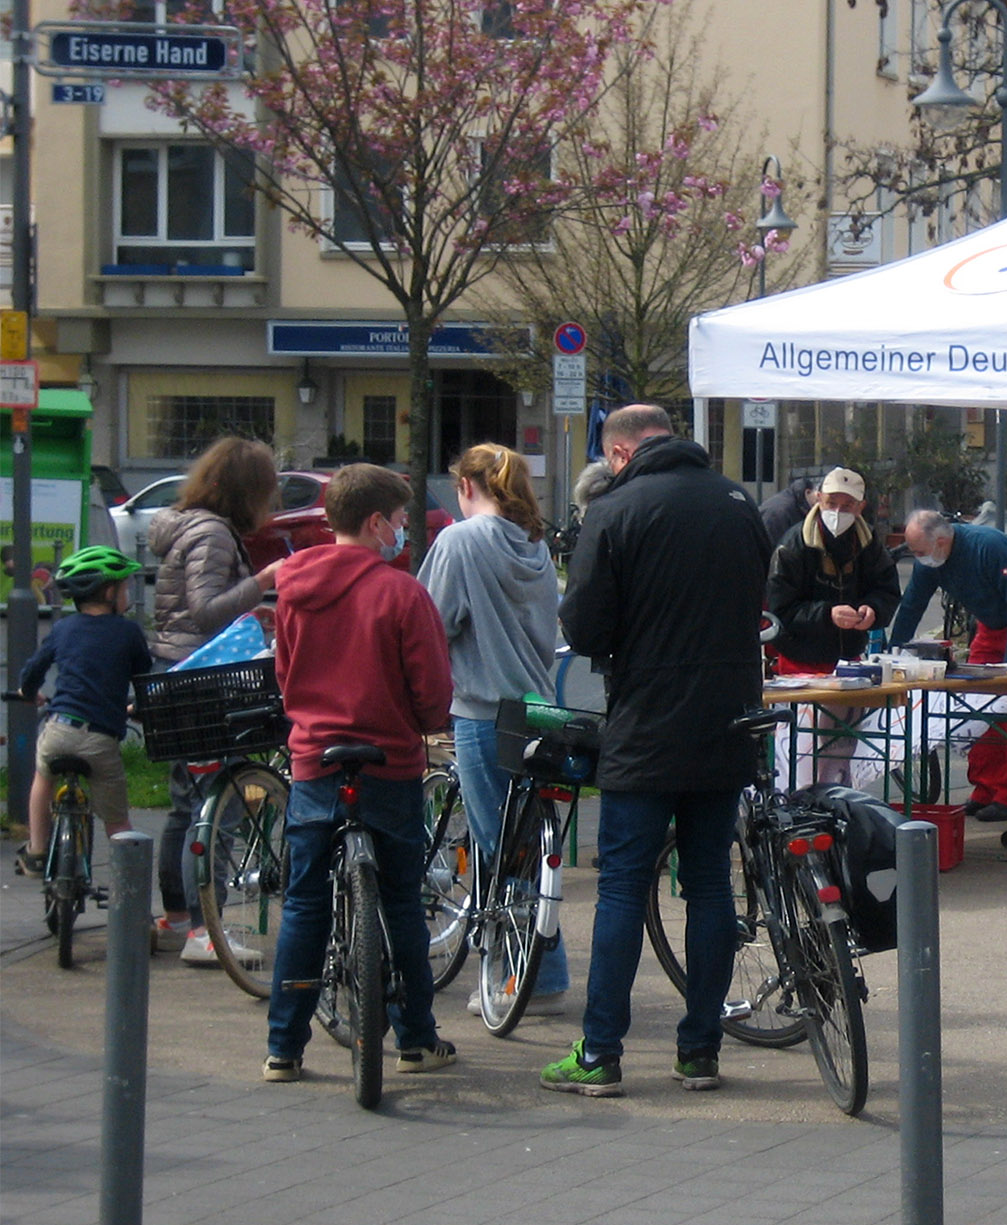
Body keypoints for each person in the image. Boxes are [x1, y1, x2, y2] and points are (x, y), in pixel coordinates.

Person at [544, 404, 770, 1097]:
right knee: (709, 887)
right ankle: (700, 1049)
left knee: (621, 888)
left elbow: (582, 628)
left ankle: (601, 1053)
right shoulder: (738, 504)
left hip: (645, 725)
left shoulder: (615, 511)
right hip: (729, 719)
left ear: (619, 453)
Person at [264, 464, 456, 1083]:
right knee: (400, 899)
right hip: (390, 765)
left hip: (315, 760)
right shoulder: (401, 593)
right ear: (377, 523)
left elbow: (286, 676)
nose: (403, 532)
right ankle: (416, 1039)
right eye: (401, 522)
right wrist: (419, 719)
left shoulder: (293, 587)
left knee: (304, 903)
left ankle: (284, 1048)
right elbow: (432, 696)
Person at [418, 444, 569, 1016]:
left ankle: (517, 980)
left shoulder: (459, 541)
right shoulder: (534, 545)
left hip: (483, 711)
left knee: (498, 850)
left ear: (465, 487)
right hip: (540, 711)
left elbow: (431, 621)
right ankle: (546, 971)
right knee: (533, 849)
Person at [148, 436, 283, 962]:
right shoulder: (214, 534)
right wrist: (264, 583)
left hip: (175, 672)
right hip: (202, 678)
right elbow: (204, 611)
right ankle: (207, 932)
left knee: (185, 805)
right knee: (218, 805)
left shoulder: (187, 526)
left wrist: (249, 613)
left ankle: (179, 919)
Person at [888, 509, 1007, 821]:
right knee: (975, 709)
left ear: (941, 541)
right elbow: (912, 604)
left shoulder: (990, 547)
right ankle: (984, 788)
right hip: (989, 625)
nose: (918, 558)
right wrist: (893, 653)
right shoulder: (931, 559)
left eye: (919, 552)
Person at [13, 548, 153, 875]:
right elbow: (145, 680)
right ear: (108, 592)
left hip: (60, 730)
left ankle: (35, 850)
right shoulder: (129, 632)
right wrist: (138, 708)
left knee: (43, 777)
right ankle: (127, 887)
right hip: (100, 741)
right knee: (118, 820)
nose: (127, 594)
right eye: (124, 587)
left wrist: (27, 693)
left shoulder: (62, 629)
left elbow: (34, 670)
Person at [766, 467, 900, 785]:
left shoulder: (868, 543)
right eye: (832, 503)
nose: (838, 512)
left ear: (860, 507)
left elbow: (886, 590)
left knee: (841, 749)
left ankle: (838, 807)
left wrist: (873, 611)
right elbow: (780, 611)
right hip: (801, 663)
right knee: (802, 752)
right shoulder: (793, 544)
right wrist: (827, 614)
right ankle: (796, 804)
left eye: (847, 505)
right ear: (818, 500)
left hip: (848, 664)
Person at [759, 472, 818, 545]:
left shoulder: (792, 503)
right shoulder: (782, 511)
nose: (817, 505)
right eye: (817, 500)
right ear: (808, 492)